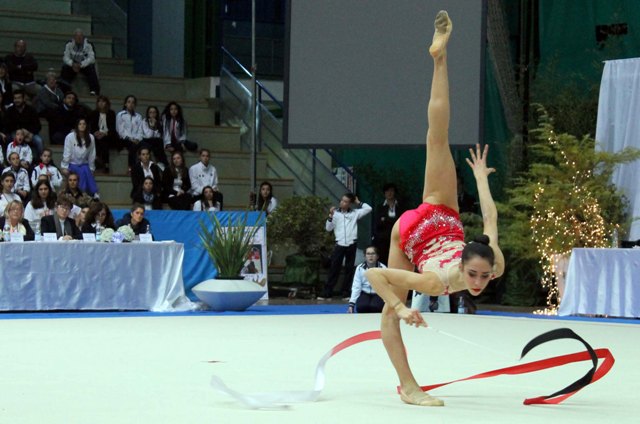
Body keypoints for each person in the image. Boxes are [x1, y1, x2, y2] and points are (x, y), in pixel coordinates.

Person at [365, 11, 505, 407]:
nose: (478, 282)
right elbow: (373, 272)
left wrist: (481, 178)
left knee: (436, 140)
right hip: (423, 224)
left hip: (435, 222)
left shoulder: (490, 257)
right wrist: (398, 305)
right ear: (462, 265)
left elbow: (491, 219)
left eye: (483, 275)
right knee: (437, 138)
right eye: (474, 274)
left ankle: (440, 58)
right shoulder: (436, 282)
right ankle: (439, 57)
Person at [319, 192, 372, 300]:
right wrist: (330, 216)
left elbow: (368, 208)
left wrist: (358, 202)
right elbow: (328, 228)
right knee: (334, 268)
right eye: (342, 200)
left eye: (346, 201)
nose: (342, 203)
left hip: (351, 243)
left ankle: (346, 292)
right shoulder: (335, 214)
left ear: (349, 204)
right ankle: (327, 292)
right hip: (339, 244)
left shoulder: (355, 213)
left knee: (349, 269)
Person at [60, 118, 98, 197]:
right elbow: (67, 152)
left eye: (84, 124)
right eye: (80, 124)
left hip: (84, 163)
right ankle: (81, 194)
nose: (82, 126)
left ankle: (94, 193)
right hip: (72, 163)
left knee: (87, 171)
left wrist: (92, 168)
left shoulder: (91, 137)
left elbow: (92, 154)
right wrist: (64, 166)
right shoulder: (70, 137)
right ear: (77, 126)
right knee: (82, 172)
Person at [60, 28, 100, 95]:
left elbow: (92, 58)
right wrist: (72, 64)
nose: (79, 38)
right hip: (73, 65)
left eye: (80, 37)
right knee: (65, 68)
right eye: (77, 37)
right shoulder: (69, 44)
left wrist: (81, 64)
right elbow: (65, 57)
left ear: (83, 37)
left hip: (84, 65)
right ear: (74, 37)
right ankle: (64, 89)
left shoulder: (89, 45)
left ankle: (94, 90)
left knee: (91, 68)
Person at [347, 246, 386, 314]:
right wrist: (351, 304)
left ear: (377, 256)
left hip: (378, 293)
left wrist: (387, 302)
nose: (370, 256)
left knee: (376, 307)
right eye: (368, 254)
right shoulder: (359, 268)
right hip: (364, 292)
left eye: (373, 253)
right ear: (365, 256)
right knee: (361, 307)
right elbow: (356, 286)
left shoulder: (383, 268)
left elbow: (386, 286)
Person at [5, 90, 43, 157]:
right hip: (15, 132)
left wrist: (30, 133)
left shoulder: (31, 110)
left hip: (29, 132)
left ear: (23, 99)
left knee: (39, 141)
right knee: (14, 138)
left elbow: (38, 125)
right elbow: (7, 126)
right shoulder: (10, 110)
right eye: (15, 98)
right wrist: (20, 131)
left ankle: (40, 161)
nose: (17, 100)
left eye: (19, 98)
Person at [374, 183, 405, 265]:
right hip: (383, 238)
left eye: (391, 191)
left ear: (395, 192)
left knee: (397, 258)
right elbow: (378, 223)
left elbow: (402, 221)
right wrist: (392, 220)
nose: (389, 193)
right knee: (383, 259)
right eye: (387, 191)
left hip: (397, 237)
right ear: (384, 193)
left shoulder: (400, 206)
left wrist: (386, 219)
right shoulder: (380, 207)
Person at [88, 95, 117, 173]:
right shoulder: (93, 113)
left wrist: (105, 133)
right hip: (97, 134)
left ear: (107, 103)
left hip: (108, 134)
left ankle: (100, 161)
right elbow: (92, 127)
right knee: (97, 140)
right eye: (99, 101)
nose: (101, 103)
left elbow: (112, 127)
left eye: (103, 101)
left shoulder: (111, 113)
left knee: (104, 141)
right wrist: (96, 133)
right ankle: (104, 163)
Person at [116, 95, 144, 170]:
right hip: (125, 139)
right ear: (125, 104)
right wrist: (130, 139)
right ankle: (131, 167)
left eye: (133, 102)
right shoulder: (120, 115)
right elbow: (120, 130)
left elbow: (140, 130)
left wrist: (138, 139)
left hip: (136, 139)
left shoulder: (138, 116)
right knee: (132, 146)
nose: (131, 104)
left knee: (146, 145)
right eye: (129, 102)